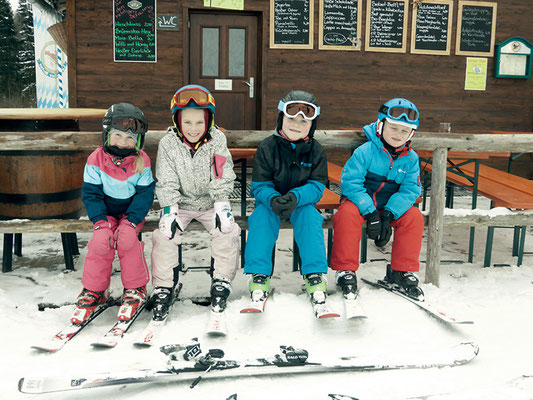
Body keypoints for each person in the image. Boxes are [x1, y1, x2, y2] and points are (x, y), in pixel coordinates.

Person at [151, 84, 240, 319]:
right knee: (164, 235)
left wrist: (222, 205)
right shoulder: (167, 144)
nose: (193, 128)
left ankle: (221, 280)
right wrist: (169, 210)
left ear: (209, 121)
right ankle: (163, 286)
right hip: (180, 204)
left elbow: (222, 172)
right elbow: (166, 179)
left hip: (210, 202)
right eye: (187, 122)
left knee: (228, 231)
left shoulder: (217, 140)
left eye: (199, 122)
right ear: (177, 121)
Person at [330, 98, 425, 299]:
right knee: (346, 215)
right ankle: (345, 269)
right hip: (361, 203)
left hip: (389, 206)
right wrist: (370, 212)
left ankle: (402, 270)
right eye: (394, 128)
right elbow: (350, 183)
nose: (398, 134)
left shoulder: (411, 159)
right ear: (381, 125)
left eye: (404, 131)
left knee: (414, 217)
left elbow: (410, 190)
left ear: (411, 134)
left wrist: (389, 214)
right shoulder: (365, 152)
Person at [71, 103, 155, 324]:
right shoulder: (95, 159)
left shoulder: (141, 160)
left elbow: (144, 194)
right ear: (107, 134)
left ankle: (135, 288)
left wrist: (132, 219)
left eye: (130, 138)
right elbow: (91, 193)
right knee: (101, 241)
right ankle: (94, 290)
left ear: (138, 140)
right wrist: (99, 220)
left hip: (130, 214)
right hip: (105, 214)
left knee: (127, 240)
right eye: (118, 135)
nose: (123, 142)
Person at [244, 90, 329, 307]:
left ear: (312, 126)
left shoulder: (316, 151)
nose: (297, 124)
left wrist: (295, 197)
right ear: (281, 118)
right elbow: (259, 185)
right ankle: (259, 275)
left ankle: (314, 275)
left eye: (304, 121)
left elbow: (318, 185)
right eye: (291, 118)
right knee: (260, 219)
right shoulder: (267, 147)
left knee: (312, 219)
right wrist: (272, 198)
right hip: (271, 202)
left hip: (301, 203)